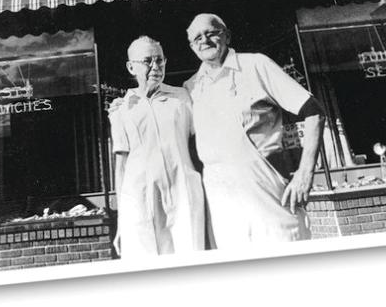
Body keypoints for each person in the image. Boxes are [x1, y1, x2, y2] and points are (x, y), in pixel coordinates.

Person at [183, 14, 324, 249]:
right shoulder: (191, 87)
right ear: (191, 47)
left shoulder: (255, 65)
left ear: (226, 35)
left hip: (267, 191)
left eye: (211, 33)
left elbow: (314, 111)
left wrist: (305, 173)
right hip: (221, 200)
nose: (204, 40)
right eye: (197, 37)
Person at [109, 36, 205, 258]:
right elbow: (121, 164)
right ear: (131, 67)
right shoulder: (122, 109)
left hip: (182, 190)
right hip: (140, 196)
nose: (155, 67)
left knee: (189, 254)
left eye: (160, 60)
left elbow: (201, 140)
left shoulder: (182, 98)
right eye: (147, 61)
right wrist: (122, 216)